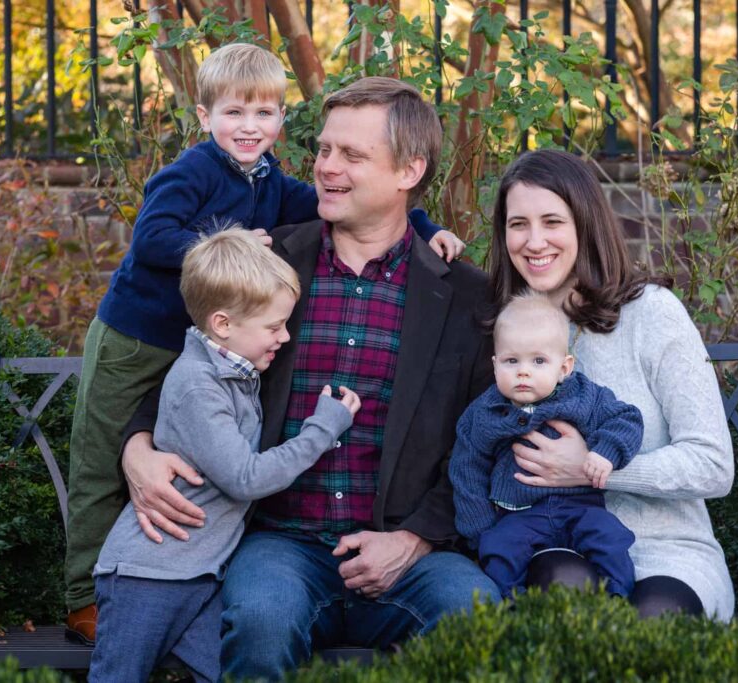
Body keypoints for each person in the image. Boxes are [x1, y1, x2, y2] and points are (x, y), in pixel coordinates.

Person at [64, 44, 464, 641]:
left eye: (351, 154)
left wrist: (427, 227)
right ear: (204, 117)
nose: (327, 166)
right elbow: (195, 362)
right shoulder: (263, 261)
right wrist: (137, 444)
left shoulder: (460, 294)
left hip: (402, 548)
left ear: (409, 173)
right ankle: (86, 595)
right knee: (254, 615)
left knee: (474, 613)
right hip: (147, 349)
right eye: (325, 149)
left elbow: (483, 439)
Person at [89, 229, 360, 682]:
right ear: (223, 324)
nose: (284, 336)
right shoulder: (198, 385)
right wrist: (323, 427)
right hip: (147, 576)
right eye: (274, 327)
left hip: (200, 577)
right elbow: (245, 478)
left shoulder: (236, 373)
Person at [486, 148, 735, 620]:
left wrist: (593, 469)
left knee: (653, 615)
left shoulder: (652, 314)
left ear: (585, 223)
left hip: (669, 551)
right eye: (518, 224)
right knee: (565, 590)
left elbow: (713, 464)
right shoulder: (506, 332)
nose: (534, 241)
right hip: (553, 543)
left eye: (552, 221)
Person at [449, 291, 643, 598]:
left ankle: (618, 600)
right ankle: (512, 613)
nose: (523, 371)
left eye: (539, 361)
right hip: (518, 514)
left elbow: (626, 419)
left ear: (564, 368)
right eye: (511, 361)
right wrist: (480, 527)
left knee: (610, 538)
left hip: (581, 507)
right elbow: (467, 467)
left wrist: (605, 454)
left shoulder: (584, 396)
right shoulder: (485, 412)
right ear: (496, 363)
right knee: (498, 550)